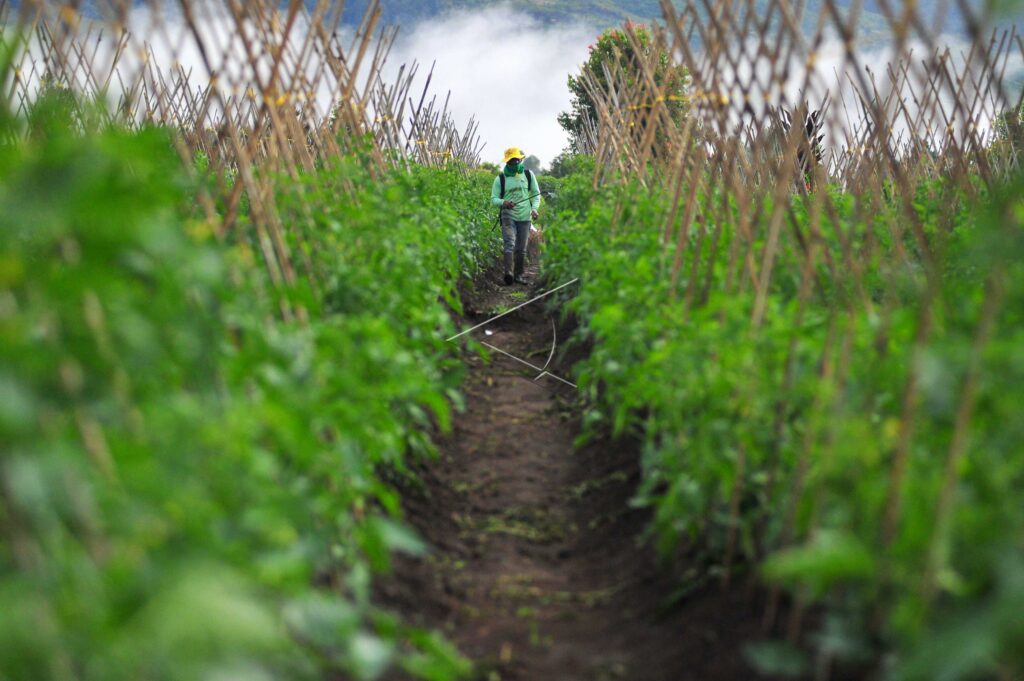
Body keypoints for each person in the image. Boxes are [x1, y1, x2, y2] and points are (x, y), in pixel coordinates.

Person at [491, 147, 540, 285]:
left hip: (525, 217)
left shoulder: (529, 175)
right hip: (508, 215)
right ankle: (508, 273)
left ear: (520, 160)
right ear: (507, 162)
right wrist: (503, 202)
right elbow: (493, 198)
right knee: (510, 243)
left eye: (517, 160)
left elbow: (536, 195)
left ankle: (519, 275)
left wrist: (534, 209)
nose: (515, 163)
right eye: (512, 161)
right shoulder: (500, 179)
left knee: (521, 248)